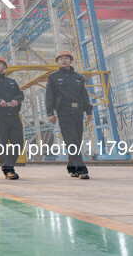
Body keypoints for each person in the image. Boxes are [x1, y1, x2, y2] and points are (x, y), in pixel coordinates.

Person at [45, 50, 93, 179]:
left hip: (78, 112)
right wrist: (50, 113)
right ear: (58, 62)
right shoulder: (53, 77)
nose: (64, 60)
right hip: (64, 112)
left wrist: (89, 111)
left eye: (66, 58)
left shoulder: (78, 77)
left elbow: (84, 95)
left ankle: (72, 167)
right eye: (61, 59)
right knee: (71, 140)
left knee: (76, 141)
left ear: (71, 61)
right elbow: (49, 96)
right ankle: (82, 169)